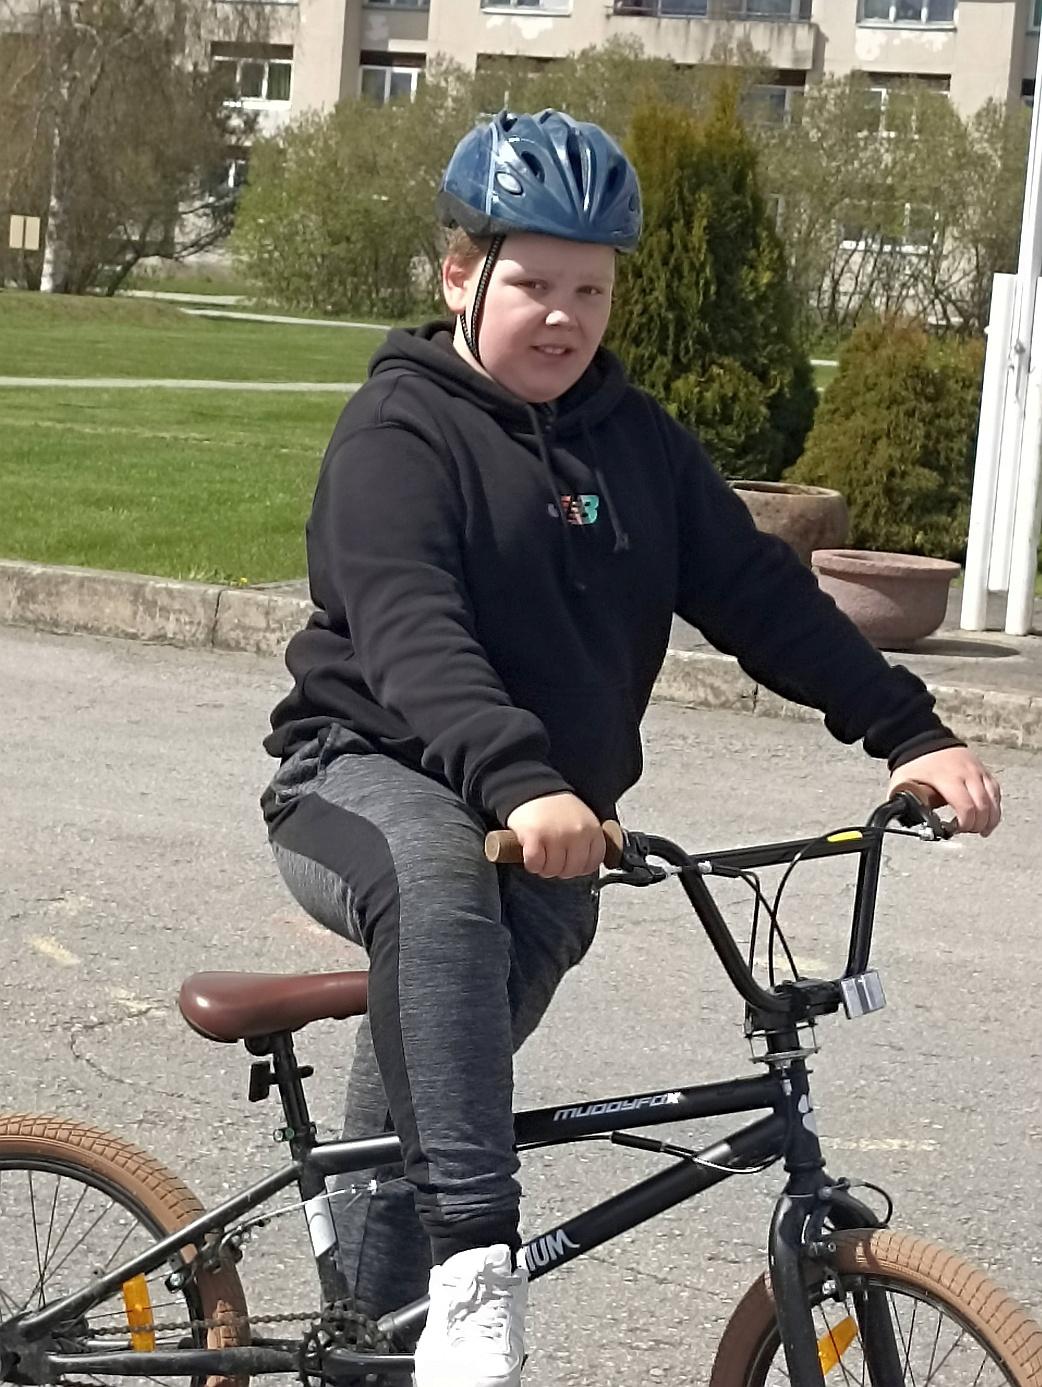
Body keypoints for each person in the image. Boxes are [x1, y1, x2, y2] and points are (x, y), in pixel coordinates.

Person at [260, 109, 1001, 1387]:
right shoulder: (398, 433)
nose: (563, 315)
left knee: (417, 1119)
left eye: (590, 289)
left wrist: (909, 731)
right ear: (460, 274)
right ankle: (479, 1267)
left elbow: (760, 600)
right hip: (363, 774)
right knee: (440, 886)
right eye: (533, 284)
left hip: (547, 828)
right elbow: (414, 630)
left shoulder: (637, 442)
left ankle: (375, 1352)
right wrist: (522, 778)